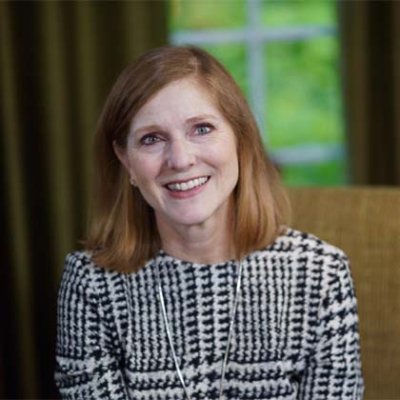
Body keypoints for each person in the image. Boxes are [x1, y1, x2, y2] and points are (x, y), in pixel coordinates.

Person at [55, 46, 364, 400]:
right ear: (126, 160)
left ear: (240, 140)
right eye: (151, 139)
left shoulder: (321, 275)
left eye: (201, 129)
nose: (180, 159)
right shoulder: (91, 285)